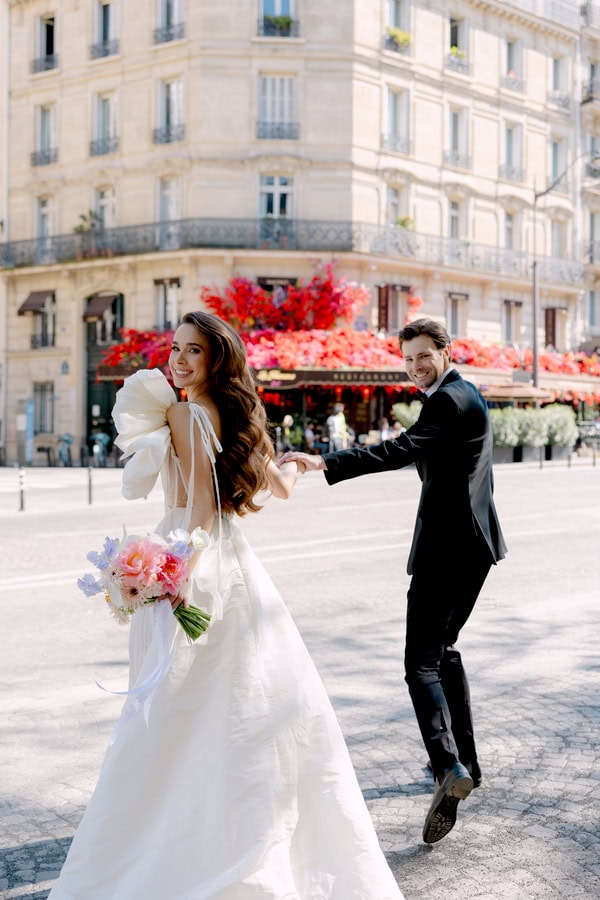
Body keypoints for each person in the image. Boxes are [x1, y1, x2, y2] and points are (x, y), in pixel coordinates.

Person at [49, 311, 403, 899]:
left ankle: (181, 843)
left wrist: (173, 570)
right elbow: (280, 487)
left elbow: (199, 509)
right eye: (175, 349)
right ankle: (248, 835)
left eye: (193, 351)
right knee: (250, 703)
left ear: (217, 359)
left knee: (177, 708)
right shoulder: (239, 416)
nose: (179, 360)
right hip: (238, 565)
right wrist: (289, 457)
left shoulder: (185, 412)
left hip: (196, 554)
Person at [279, 317, 507, 846]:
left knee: (419, 663)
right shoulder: (467, 394)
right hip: (475, 546)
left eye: (424, 355)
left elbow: (398, 451)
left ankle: (448, 767)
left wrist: (322, 461)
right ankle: (467, 760)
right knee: (445, 650)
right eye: (407, 359)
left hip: (448, 552)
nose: (415, 367)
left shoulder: (447, 400)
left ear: (447, 351)